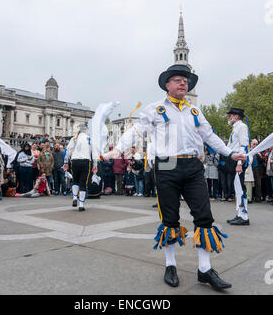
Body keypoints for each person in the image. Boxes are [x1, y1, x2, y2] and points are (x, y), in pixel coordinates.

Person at [104, 64, 246, 291]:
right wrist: (118, 150)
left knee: (204, 216)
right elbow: (136, 131)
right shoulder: (155, 109)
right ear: (167, 85)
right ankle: (170, 265)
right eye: (178, 79)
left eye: (186, 80)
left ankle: (205, 269)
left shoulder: (194, 111)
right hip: (167, 164)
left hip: (192, 164)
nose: (183, 83)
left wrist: (230, 153)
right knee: (170, 218)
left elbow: (210, 136)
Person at [63, 124, 98, 211]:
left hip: (75, 161)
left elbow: (68, 150)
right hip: (85, 161)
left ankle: (75, 198)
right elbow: (94, 153)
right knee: (83, 183)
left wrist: (66, 162)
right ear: (86, 130)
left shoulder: (74, 138)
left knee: (75, 180)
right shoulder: (90, 139)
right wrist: (95, 165)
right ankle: (81, 205)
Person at [225, 107, 250, 226]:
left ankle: (244, 216)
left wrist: (239, 163)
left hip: (238, 161)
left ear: (236, 116)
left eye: (230, 115)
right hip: (233, 159)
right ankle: (239, 213)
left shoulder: (242, 127)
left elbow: (243, 145)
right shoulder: (236, 127)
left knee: (240, 188)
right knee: (237, 188)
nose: (228, 117)